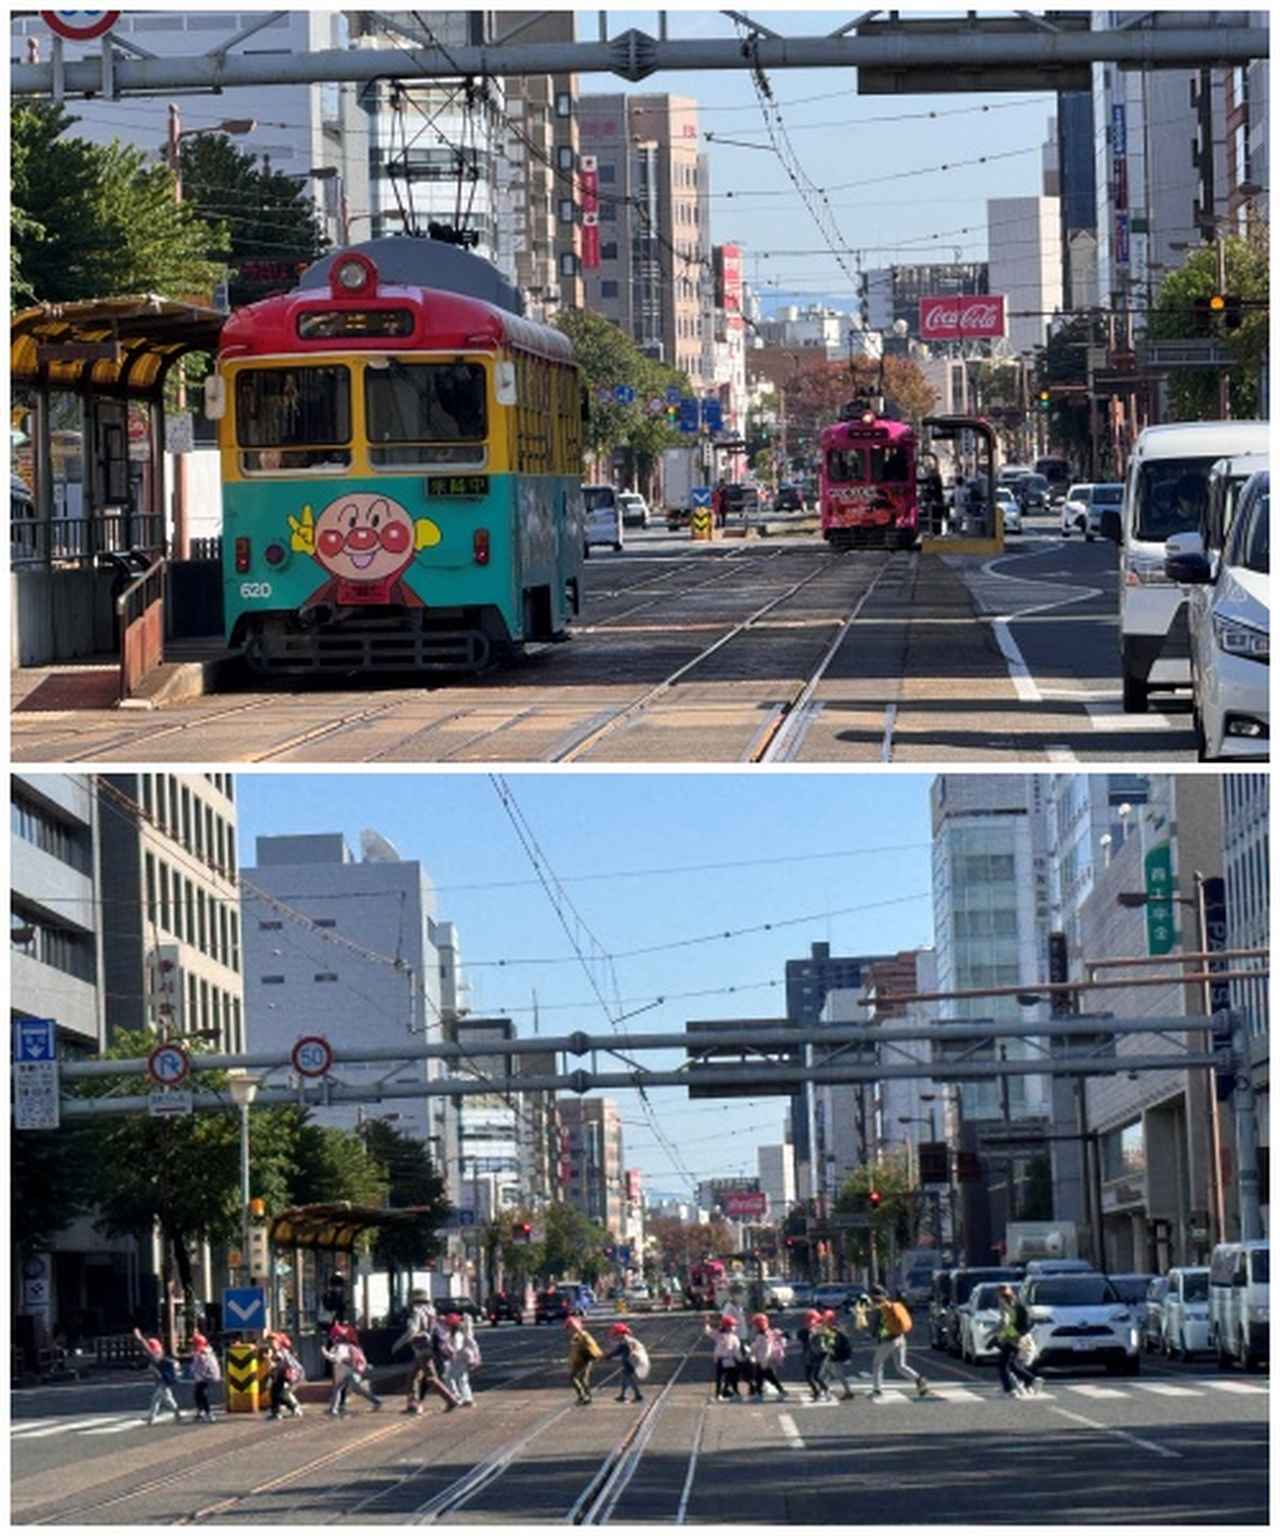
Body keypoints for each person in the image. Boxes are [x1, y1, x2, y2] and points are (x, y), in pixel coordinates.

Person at [393, 1297, 459, 1414]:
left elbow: (412, 1331)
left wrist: (398, 1344)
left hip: (421, 1350)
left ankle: (451, 1399)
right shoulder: (430, 1313)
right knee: (412, 1376)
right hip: (425, 1349)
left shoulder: (418, 1313)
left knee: (431, 1378)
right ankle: (412, 1404)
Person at [868, 1286, 929, 1399]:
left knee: (877, 1364)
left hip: (888, 1340)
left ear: (874, 1296)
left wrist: (870, 1330)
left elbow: (874, 1327)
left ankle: (877, 1390)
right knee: (901, 1365)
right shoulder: (891, 1305)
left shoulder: (879, 1309)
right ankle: (919, 1379)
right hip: (900, 1337)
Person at [993, 1284, 1043, 1398]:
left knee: (1003, 1364)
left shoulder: (1009, 1306)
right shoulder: (1017, 1305)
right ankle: (1029, 1381)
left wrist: (1002, 1336)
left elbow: (1007, 1323)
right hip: (1014, 1338)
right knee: (1011, 1364)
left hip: (1014, 1338)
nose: (999, 1298)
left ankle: (1011, 1389)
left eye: (1000, 1294)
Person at [322, 1332, 383, 1416]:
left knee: (356, 1390)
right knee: (340, 1389)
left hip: (350, 1372)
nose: (333, 1340)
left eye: (335, 1338)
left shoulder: (341, 1347)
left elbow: (336, 1359)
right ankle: (333, 1409)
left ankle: (377, 1402)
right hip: (349, 1372)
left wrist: (325, 1352)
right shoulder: (346, 1347)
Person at [133, 1327, 183, 1426]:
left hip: (162, 1382)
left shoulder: (155, 1357)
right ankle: (173, 1414)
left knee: (158, 1399)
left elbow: (146, 1348)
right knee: (164, 1398)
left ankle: (153, 1418)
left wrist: (140, 1338)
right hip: (163, 1381)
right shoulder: (160, 1356)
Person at [263, 1332, 304, 1420]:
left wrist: (268, 1359)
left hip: (290, 1374)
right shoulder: (278, 1351)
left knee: (282, 1393)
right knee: (274, 1392)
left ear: (278, 1342)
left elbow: (278, 1364)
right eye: (268, 1341)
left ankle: (295, 1408)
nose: (270, 1344)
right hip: (283, 1374)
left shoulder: (281, 1352)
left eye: (272, 1341)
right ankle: (276, 1412)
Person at [747, 1313, 788, 1401]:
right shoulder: (768, 1333)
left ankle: (780, 1391)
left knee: (768, 1377)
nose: (753, 1327)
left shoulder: (762, 1336)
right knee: (760, 1377)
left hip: (763, 1360)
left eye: (754, 1325)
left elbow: (761, 1348)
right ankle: (760, 1394)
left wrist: (750, 1352)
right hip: (763, 1360)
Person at [819, 1310, 858, 1401]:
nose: (823, 1321)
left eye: (825, 1319)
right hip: (833, 1356)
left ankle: (845, 1392)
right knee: (825, 1375)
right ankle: (825, 1392)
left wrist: (825, 1348)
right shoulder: (834, 1328)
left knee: (827, 1375)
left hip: (835, 1356)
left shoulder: (833, 1330)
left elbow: (833, 1345)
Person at [705, 1314, 745, 1401]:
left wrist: (739, 1359)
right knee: (721, 1378)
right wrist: (707, 1323)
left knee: (730, 1378)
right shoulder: (720, 1334)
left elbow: (737, 1350)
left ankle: (732, 1392)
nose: (735, 1327)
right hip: (723, 1360)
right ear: (727, 1326)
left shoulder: (732, 1337)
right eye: (733, 1325)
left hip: (728, 1360)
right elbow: (708, 1332)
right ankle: (720, 1394)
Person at [566, 1314, 603, 1405]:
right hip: (580, 1360)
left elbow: (591, 1346)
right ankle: (586, 1396)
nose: (569, 1330)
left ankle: (583, 1396)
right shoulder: (577, 1336)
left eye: (570, 1327)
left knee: (575, 1377)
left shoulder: (583, 1335)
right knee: (582, 1379)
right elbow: (574, 1351)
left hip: (584, 1360)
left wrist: (596, 1355)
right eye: (569, 1328)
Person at [796, 1308, 832, 1401]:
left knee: (816, 1376)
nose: (809, 1323)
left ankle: (825, 1391)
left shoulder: (820, 1330)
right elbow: (799, 1337)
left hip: (818, 1356)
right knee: (809, 1377)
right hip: (810, 1356)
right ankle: (817, 1392)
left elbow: (827, 1340)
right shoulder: (806, 1331)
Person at [444, 1312, 478, 1408]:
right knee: (460, 1378)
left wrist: (450, 1350)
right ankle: (466, 1398)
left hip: (459, 1359)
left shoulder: (457, 1334)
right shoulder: (457, 1333)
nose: (447, 1326)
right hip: (460, 1359)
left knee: (451, 1377)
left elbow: (457, 1347)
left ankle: (460, 1398)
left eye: (448, 1324)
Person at [606, 1322, 644, 1404]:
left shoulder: (626, 1340)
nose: (615, 1336)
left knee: (630, 1380)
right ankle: (623, 1395)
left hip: (629, 1363)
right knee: (625, 1379)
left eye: (616, 1334)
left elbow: (626, 1352)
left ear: (620, 1333)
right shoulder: (624, 1340)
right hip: (627, 1362)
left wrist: (609, 1356)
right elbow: (619, 1351)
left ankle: (638, 1395)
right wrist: (609, 1356)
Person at [190, 1332, 221, 1423]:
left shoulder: (202, 1353)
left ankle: (208, 1413)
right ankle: (201, 1412)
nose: (192, 1345)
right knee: (198, 1394)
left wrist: (199, 1375)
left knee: (202, 1394)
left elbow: (203, 1366)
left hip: (204, 1377)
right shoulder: (206, 1351)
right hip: (204, 1376)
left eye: (194, 1343)